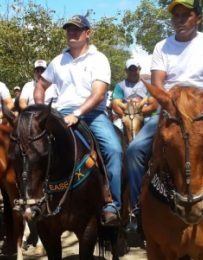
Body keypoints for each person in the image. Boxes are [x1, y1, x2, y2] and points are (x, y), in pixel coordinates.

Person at [126, 0, 203, 224]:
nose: (179, 20)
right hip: (171, 114)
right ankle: (135, 213)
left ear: (198, 18)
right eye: (176, 16)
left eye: (185, 15)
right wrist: (173, 108)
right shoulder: (162, 46)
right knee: (134, 151)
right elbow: (158, 85)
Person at [34, 15, 123, 226]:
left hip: (92, 115)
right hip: (60, 114)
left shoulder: (98, 59)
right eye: (69, 30)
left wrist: (78, 112)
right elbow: (40, 85)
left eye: (77, 30)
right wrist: (41, 108)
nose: (72, 33)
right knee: (31, 148)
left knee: (114, 150)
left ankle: (113, 204)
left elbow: (99, 93)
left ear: (88, 33)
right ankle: (32, 199)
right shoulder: (58, 60)